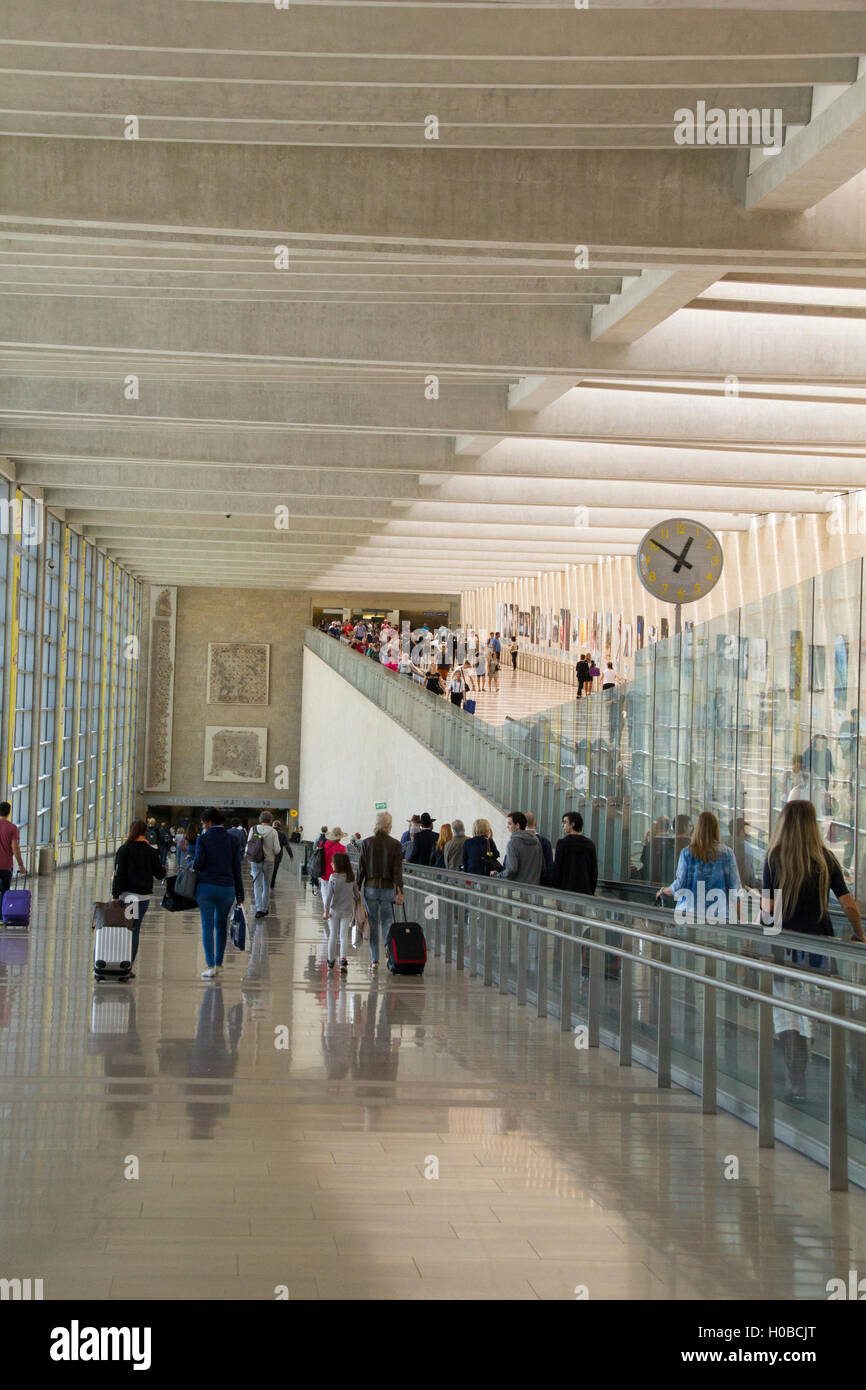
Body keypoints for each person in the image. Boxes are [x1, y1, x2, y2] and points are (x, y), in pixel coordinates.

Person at [761, 800, 865, 1099]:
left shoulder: (774, 858)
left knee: (788, 1014)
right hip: (819, 950)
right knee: (813, 1010)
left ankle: (797, 1076)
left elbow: (768, 911)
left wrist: (761, 940)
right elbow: (847, 903)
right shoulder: (825, 859)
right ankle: (847, 1077)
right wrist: (859, 933)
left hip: (785, 950)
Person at [657, 810, 741, 922]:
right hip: (719, 917)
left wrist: (663, 891)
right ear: (716, 829)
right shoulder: (727, 853)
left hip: (689, 915)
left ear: (697, 828)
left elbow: (679, 886)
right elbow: (735, 889)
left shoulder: (687, 853)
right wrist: (740, 920)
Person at [193, 808, 245, 979]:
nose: (203, 826)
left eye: (203, 823)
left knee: (207, 927)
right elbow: (237, 868)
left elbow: (199, 864)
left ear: (208, 823)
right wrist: (240, 894)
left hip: (206, 887)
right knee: (221, 925)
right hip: (227, 888)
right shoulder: (232, 839)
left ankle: (210, 965)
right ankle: (219, 963)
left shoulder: (204, 839)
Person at [111, 819, 166, 976]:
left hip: (128, 897)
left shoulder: (124, 849)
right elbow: (159, 874)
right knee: (134, 929)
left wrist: (115, 895)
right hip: (142, 898)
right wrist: (163, 868)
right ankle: (129, 965)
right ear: (145, 832)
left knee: (128, 929)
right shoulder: (150, 851)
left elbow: (119, 875)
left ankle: (123, 963)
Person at [358, 811, 405, 970]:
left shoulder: (366, 843)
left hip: (370, 887)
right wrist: (400, 891)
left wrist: (358, 888)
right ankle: (387, 946)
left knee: (372, 923)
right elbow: (398, 870)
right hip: (387, 888)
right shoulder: (396, 844)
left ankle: (374, 961)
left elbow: (361, 869)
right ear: (388, 826)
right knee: (387, 921)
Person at [321, 852, 358, 972]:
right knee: (343, 937)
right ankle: (343, 961)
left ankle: (331, 961)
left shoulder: (333, 878)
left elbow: (328, 897)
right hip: (347, 911)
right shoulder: (351, 878)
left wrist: (326, 911)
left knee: (333, 935)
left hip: (334, 911)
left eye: (333, 862)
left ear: (338, 864)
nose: (331, 863)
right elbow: (356, 895)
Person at [246, 810, 282, 918]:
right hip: (269, 861)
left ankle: (258, 908)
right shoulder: (273, 831)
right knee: (266, 884)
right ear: (270, 820)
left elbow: (248, 846)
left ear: (260, 819)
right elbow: (277, 850)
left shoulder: (253, 829)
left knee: (257, 884)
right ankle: (264, 909)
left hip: (256, 860)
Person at [551, 811, 598, 895]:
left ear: (573, 824)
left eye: (565, 822)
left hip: (565, 891)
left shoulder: (562, 844)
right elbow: (593, 871)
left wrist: (555, 891)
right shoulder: (590, 844)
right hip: (585, 892)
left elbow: (557, 870)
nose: (563, 825)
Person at [497, 811, 544, 884]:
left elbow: (512, 869)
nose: (507, 826)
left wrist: (498, 875)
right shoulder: (537, 841)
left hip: (517, 889)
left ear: (517, 825)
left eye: (510, 823)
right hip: (534, 889)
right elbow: (542, 866)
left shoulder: (512, 843)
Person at [0, 800, 25, 905]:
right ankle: (2, 917)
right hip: (6, 867)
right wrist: (21, 865)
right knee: (5, 893)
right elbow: (15, 848)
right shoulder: (13, 828)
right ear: (9, 812)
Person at [524, 812, 553, 887]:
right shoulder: (545, 842)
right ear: (535, 823)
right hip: (539, 882)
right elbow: (548, 865)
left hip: (521, 882)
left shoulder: (516, 840)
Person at [270, 818, 292, 890]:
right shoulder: (282, 834)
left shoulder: (269, 832)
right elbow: (287, 845)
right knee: (275, 870)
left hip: (268, 854)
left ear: (274, 825)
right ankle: (272, 885)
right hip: (278, 855)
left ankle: (266, 883)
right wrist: (291, 855)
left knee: (267, 869)